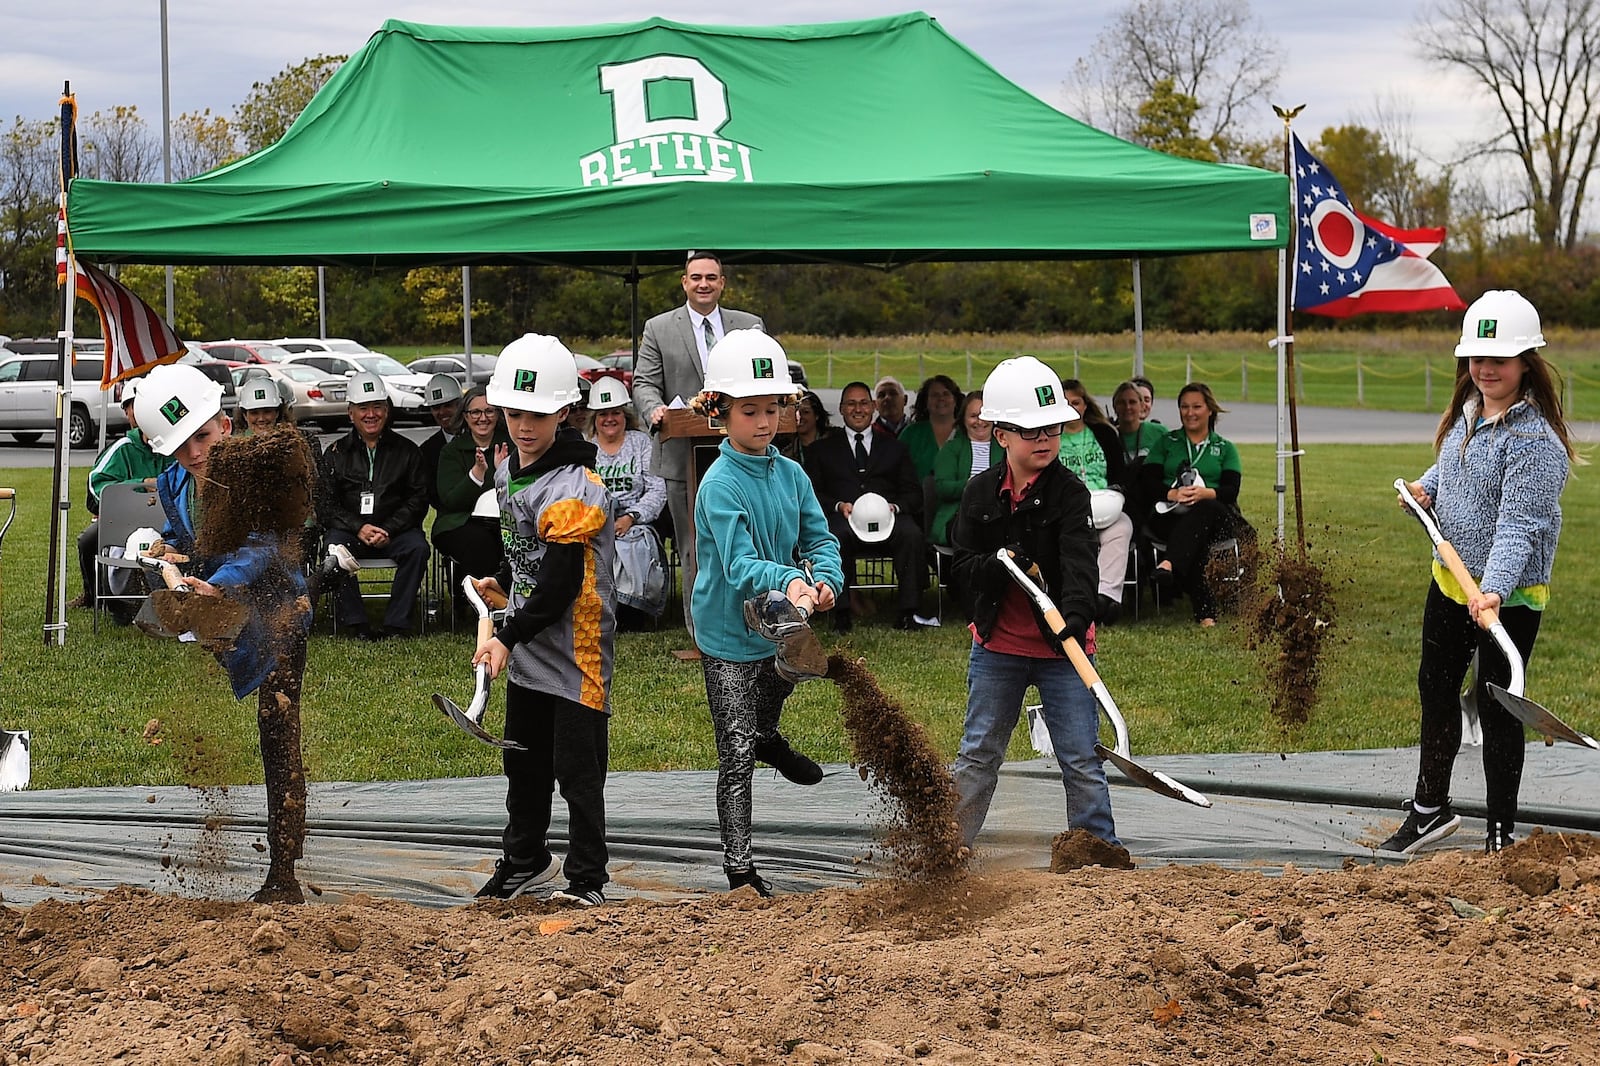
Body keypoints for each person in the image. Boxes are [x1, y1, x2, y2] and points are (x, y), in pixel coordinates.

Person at [1381, 290, 1576, 857]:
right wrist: (1426, 488)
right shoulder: (1468, 412)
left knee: (1498, 706)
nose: (1485, 369)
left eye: (1499, 359)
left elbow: (1521, 523)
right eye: (1476, 358)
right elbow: (1450, 469)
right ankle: (1429, 810)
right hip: (1452, 578)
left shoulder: (1535, 442)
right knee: (1435, 689)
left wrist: (1492, 591)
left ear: (1526, 363)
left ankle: (1500, 834)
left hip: (1508, 594)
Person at [134, 362, 315, 902]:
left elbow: (263, 544)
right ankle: (289, 847)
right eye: (182, 443)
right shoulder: (172, 482)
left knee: (277, 731)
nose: (194, 452)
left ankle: (283, 871)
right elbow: (180, 530)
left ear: (226, 427)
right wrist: (166, 553)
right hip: (225, 614)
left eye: (203, 436)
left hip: (280, 609)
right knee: (270, 721)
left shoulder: (253, 475)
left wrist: (218, 584)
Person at [689, 329, 844, 897]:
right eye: (749, 410)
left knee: (804, 666)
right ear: (720, 413)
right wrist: (793, 578)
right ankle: (740, 869)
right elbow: (737, 567)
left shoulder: (792, 473)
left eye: (773, 408)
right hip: (728, 629)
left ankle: (768, 735)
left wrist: (826, 580)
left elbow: (819, 537)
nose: (763, 421)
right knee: (734, 751)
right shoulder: (719, 483)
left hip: (780, 613)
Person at [948, 356, 1121, 856]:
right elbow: (961, 568)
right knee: (978, 753)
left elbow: (1081, 566)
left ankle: (1095, 852)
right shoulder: (980, 492)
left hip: (1064, 650)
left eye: (1053, 429)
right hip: (998, 645)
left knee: (1080, 757)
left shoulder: (1069, 494)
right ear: (1001, 435)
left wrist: (1073, 622)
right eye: (1030, 430)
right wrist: (1003, 567)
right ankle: (948, 851)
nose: (1045, 439)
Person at [470, 333, 615, 906]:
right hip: (529, 643)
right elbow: (526, 558)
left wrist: (507, 632)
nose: (524, 425)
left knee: (579, 774)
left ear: (563, 412)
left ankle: (586, 879)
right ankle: (526, 858)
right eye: (514, 412)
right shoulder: (510, 472)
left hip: (576, 649)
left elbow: (562, 583)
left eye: (538, 413)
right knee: (522, 764)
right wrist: (503, 588)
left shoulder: (575, 488)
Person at [633, 251, 764, 641]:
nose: (703, 284)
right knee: (693, 545)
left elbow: (764, 373)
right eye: (696, 278)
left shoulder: (749, 325)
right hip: (681, 456)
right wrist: (654, 410)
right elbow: (643, 383)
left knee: (748, 540)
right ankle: (703, 633)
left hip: (744, 455)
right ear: (684, 282)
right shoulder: (658, 328)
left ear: (722, 283)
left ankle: (753, 625)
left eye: (711, 277)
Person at [805, 381, 930, 632]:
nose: (858, 409)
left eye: (863, 403)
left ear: (873, 407)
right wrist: (839, 505)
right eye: (851, 404)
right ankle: (840, 613)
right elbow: (812, 494)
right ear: (841, 409)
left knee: (912, 535)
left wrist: (894, 507)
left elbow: (914, 493)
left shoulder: (896, 448)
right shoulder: (822, 450)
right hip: (844, 518)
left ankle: (908, 612)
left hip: (889, 518)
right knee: (834, 537)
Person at [317, 371, 429, 640]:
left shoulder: (408, 451)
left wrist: (387, 528)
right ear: (350, 413)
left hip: (395, 531)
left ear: (387, 410)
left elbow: (418, 499)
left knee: (418, 549)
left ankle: (396, 625)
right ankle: (357, 625)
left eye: (377, 407)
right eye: (363, 408)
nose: (371, 414)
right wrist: (359, 527)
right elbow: (326, 504)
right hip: (351, 532)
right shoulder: (335, 453)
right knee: (334, 548)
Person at [1140, 382, 1251, 627]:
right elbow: (1147, 482)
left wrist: (1205, 493)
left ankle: (1169, 563)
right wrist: (1172, 494)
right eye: (1184, 407)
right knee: (1196, 538)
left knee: (1205, 511)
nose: (1190, 412)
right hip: (1173, 515)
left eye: (1197, 407)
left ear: (1210, 410)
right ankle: (1205, 613)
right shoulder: (1167, 442)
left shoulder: (1225, 448)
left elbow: (1231, 491)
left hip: (1215, 514)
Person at [71, 380, 172, 616]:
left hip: (169, 520)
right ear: (127, 412)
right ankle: (93, 593)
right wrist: (138, 487)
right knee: (88, 541)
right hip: (123, 522)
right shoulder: (122, 448)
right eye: (133, 406)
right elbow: (97, 486)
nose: (139, 412)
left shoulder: (174, 445)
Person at [586, 375, 669, 626]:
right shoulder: (586, 448)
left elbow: (657, 488)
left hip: (636, 520)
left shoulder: (642, 443)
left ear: (625, 415)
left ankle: (634, 611)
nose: (609, 419)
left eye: (615, 412)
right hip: (597, 520)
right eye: (602, 414)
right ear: (595, 419)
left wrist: (631, 517)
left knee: (635, 546)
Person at [1058, 379, 1134, 625]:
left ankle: (1105, 597)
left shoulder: (1103, 433)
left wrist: (1117, 491)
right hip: (1067, 507)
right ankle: (1078, 597)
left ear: (1085, 405)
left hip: (1104, 502)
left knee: (1122, 526)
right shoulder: (1050, 437)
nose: (1071, 408)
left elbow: (1120, 473)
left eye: (1076, 402)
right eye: (1065, 403)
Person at [433, 385, 508, 610]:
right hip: (458, 521)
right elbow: (451, 500)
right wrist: (476, 475)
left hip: (506, 520)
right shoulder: (452, 451)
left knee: (510, 539)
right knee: (479, 542)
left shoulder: (512, 445)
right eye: (475, 412)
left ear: (498, 414)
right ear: (465, 416)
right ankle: (479, 604)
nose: (482, 418)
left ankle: (512, 602)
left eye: (489, 411)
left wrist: (503, 473)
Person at [929, 390, 1000, 547]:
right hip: (958, 516)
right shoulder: (950, 449)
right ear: (964, 419)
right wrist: (972, 484)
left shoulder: (1006, 448)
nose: (980, 421)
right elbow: (943, 488)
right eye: (973, 416)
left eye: (984, 415)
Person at [898, 374, 964, 480]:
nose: (941, 398)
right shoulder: (911, 434)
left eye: (946, 394)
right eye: (935, 395)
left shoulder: (967, 433)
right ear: (926, 402)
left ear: (955, 400)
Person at [418, 374, 464, 511]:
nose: (442, 412)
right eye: (436, 407)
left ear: (460, 405)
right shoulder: (426, 450)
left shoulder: (480, 438)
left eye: (448, 405)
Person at [1113, 379, 1165, 468]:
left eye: (1132, 402)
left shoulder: (1159, 432)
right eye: (1122, 403)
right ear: (1114, 407)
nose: (1127, 407)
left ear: (1142, 406)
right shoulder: (1109, 437)